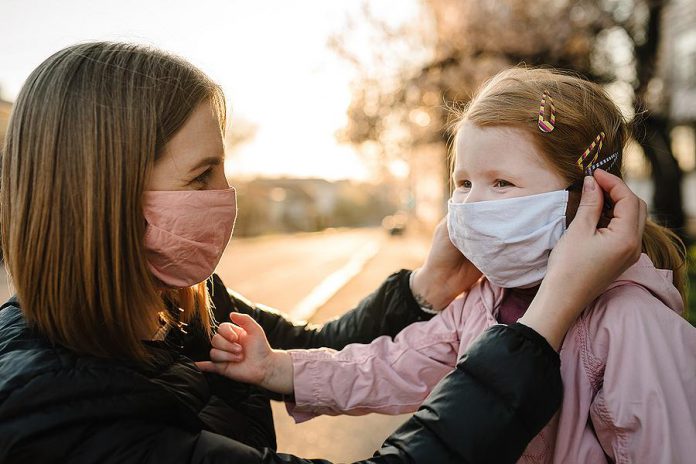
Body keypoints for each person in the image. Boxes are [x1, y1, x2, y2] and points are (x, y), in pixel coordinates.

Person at [0, 43, 644, 464]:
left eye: (224, 170)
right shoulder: (55, 418)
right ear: (103, 195)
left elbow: (325, 349)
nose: (226, 198)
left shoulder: (179, 300)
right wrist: (550, 312)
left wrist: (427, 285)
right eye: (200, 177)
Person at [203, 68, 696, 463]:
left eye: (501, 183)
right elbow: (388, 365)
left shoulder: (632, 320)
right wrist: (278, 367)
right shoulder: (481, 301)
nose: (474, 204)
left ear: (589, 195)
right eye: (464, 183)